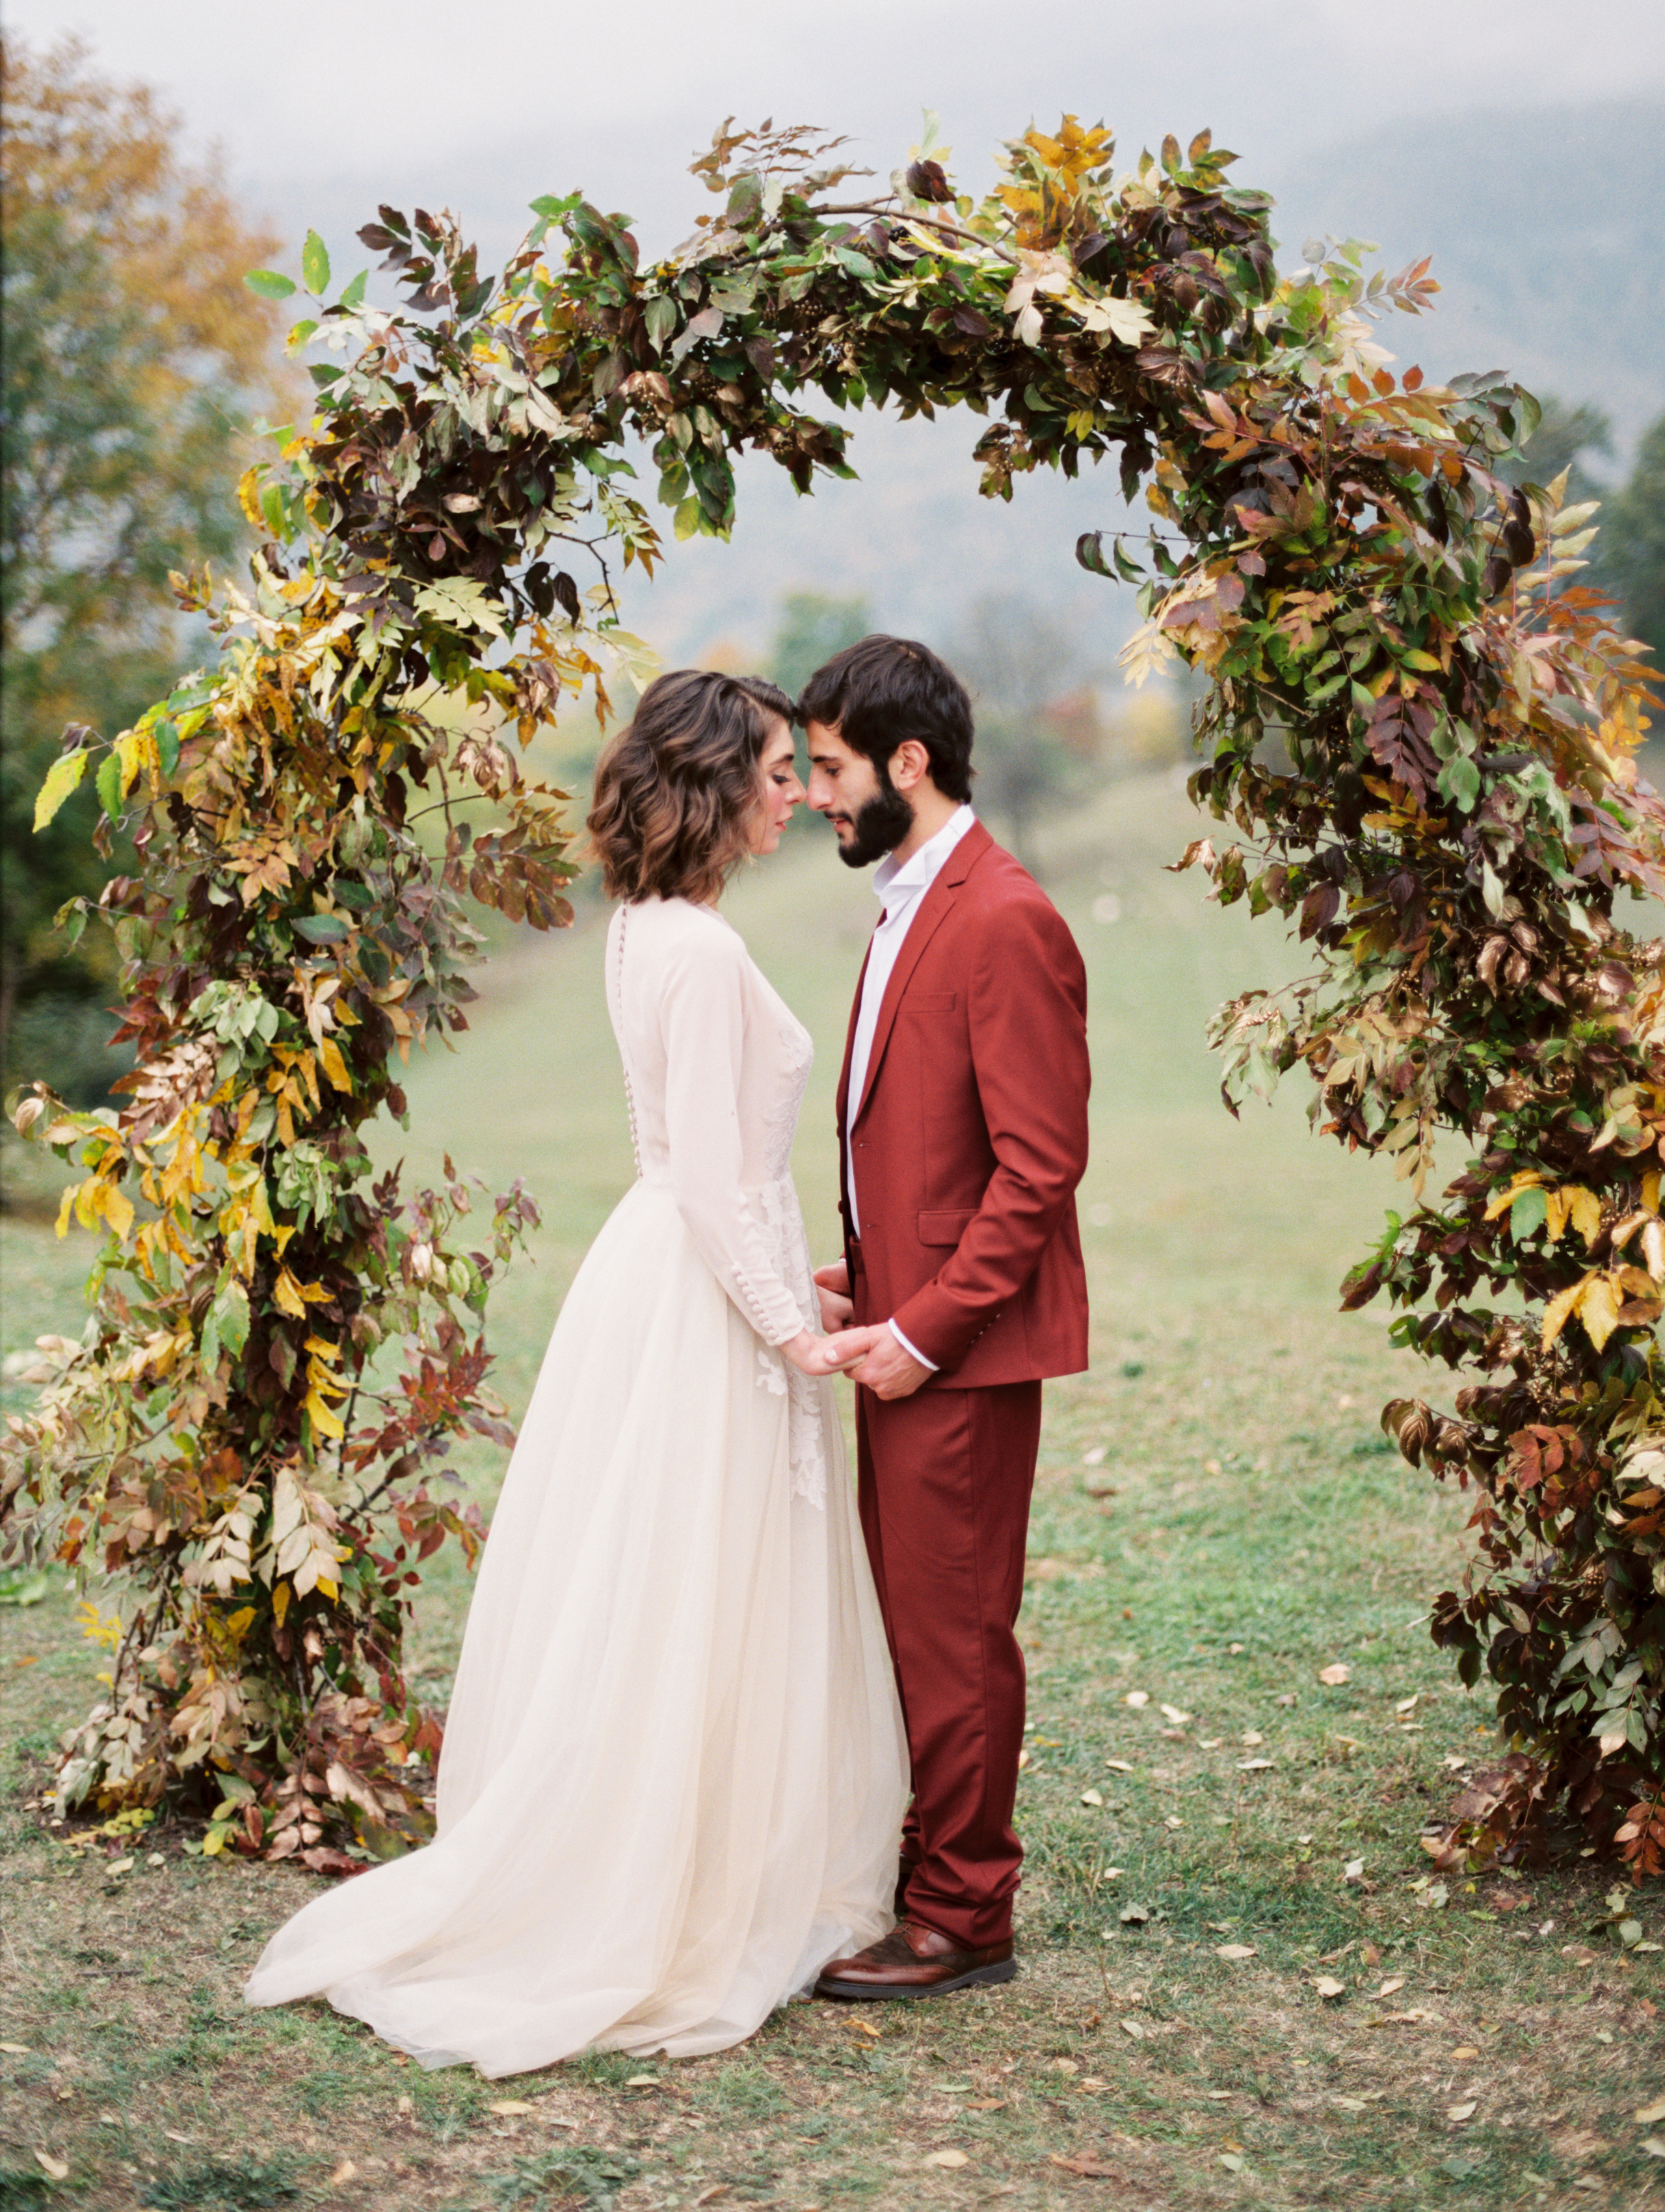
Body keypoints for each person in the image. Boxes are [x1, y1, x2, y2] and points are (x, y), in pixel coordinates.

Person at [245, 670, 909, 2074]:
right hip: (702, 1290)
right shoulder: (703, 951)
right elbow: (717, 1175)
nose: (796, 796)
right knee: (697, 1580)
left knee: (669, 1578)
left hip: (667, 1268)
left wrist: (791, 1279)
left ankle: (683, 1849)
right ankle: (672, 1884)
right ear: (713, 784)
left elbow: (699, 1167)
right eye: (775, 774)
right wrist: (791, 1328)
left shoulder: (640, 929)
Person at [801, 635, 1091, 2001]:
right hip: (899, 1329)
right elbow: (930, 1151)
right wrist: (863, 1281)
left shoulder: (1002, 915)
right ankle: (925, 1876)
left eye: (829, 768)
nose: (814, 794)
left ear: (906, 762)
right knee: (914, 1622)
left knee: (955, 1630)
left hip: (956, 1360)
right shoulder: (906, 902)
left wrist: (922, 1333)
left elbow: (1038, 1168)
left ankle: (965, 1914)